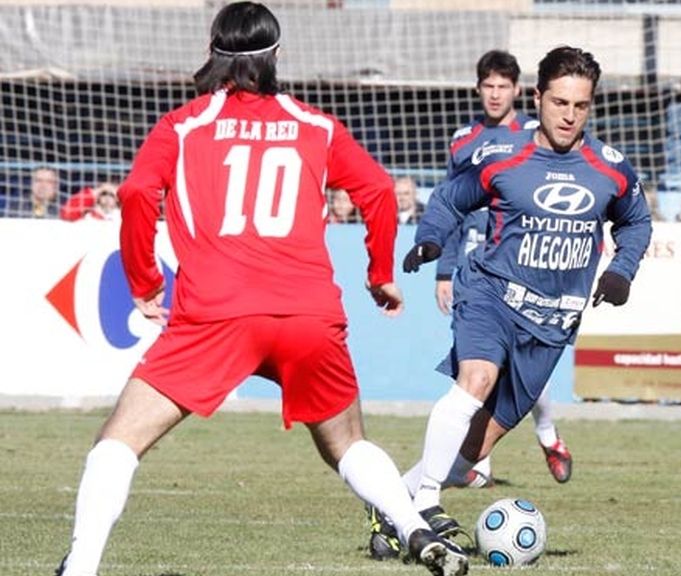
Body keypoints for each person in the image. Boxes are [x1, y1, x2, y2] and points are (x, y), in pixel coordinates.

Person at [53, 4, 468, 576]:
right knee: (347, 443)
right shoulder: (316, 125)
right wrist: (379, 274)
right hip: (307, 314)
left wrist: (144, 282)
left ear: (212, 52)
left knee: (118, 441)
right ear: (276, 56)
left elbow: (138, 192)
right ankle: (413, 526)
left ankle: (79, 567)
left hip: (216, 313)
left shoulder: (183, 125)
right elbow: (376, 189)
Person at [400, 45, 652, 543]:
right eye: (560, 103)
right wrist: (430, 239)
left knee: (473, 449)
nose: (569, 115)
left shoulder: (611, 169)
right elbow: (450, 198)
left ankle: (389, 509)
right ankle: (426, 503)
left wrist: (621, 271)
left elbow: (636, 222)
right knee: (476, 378)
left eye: (580, 106)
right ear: (537, 98)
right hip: (490, 295)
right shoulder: (502, 157)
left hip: (552, 324)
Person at [432, 50, 571, 488]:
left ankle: (547, 433)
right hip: (475, 269)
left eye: (503, 86)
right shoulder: (463, 141)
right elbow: (452, 204)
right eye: (488, 86)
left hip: (523, 265)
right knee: (478, 365)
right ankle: (480, 463)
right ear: (478, 89)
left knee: (522, 366)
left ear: (517, 90)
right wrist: (443, 271)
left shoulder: (535, 134)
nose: (495, 94)